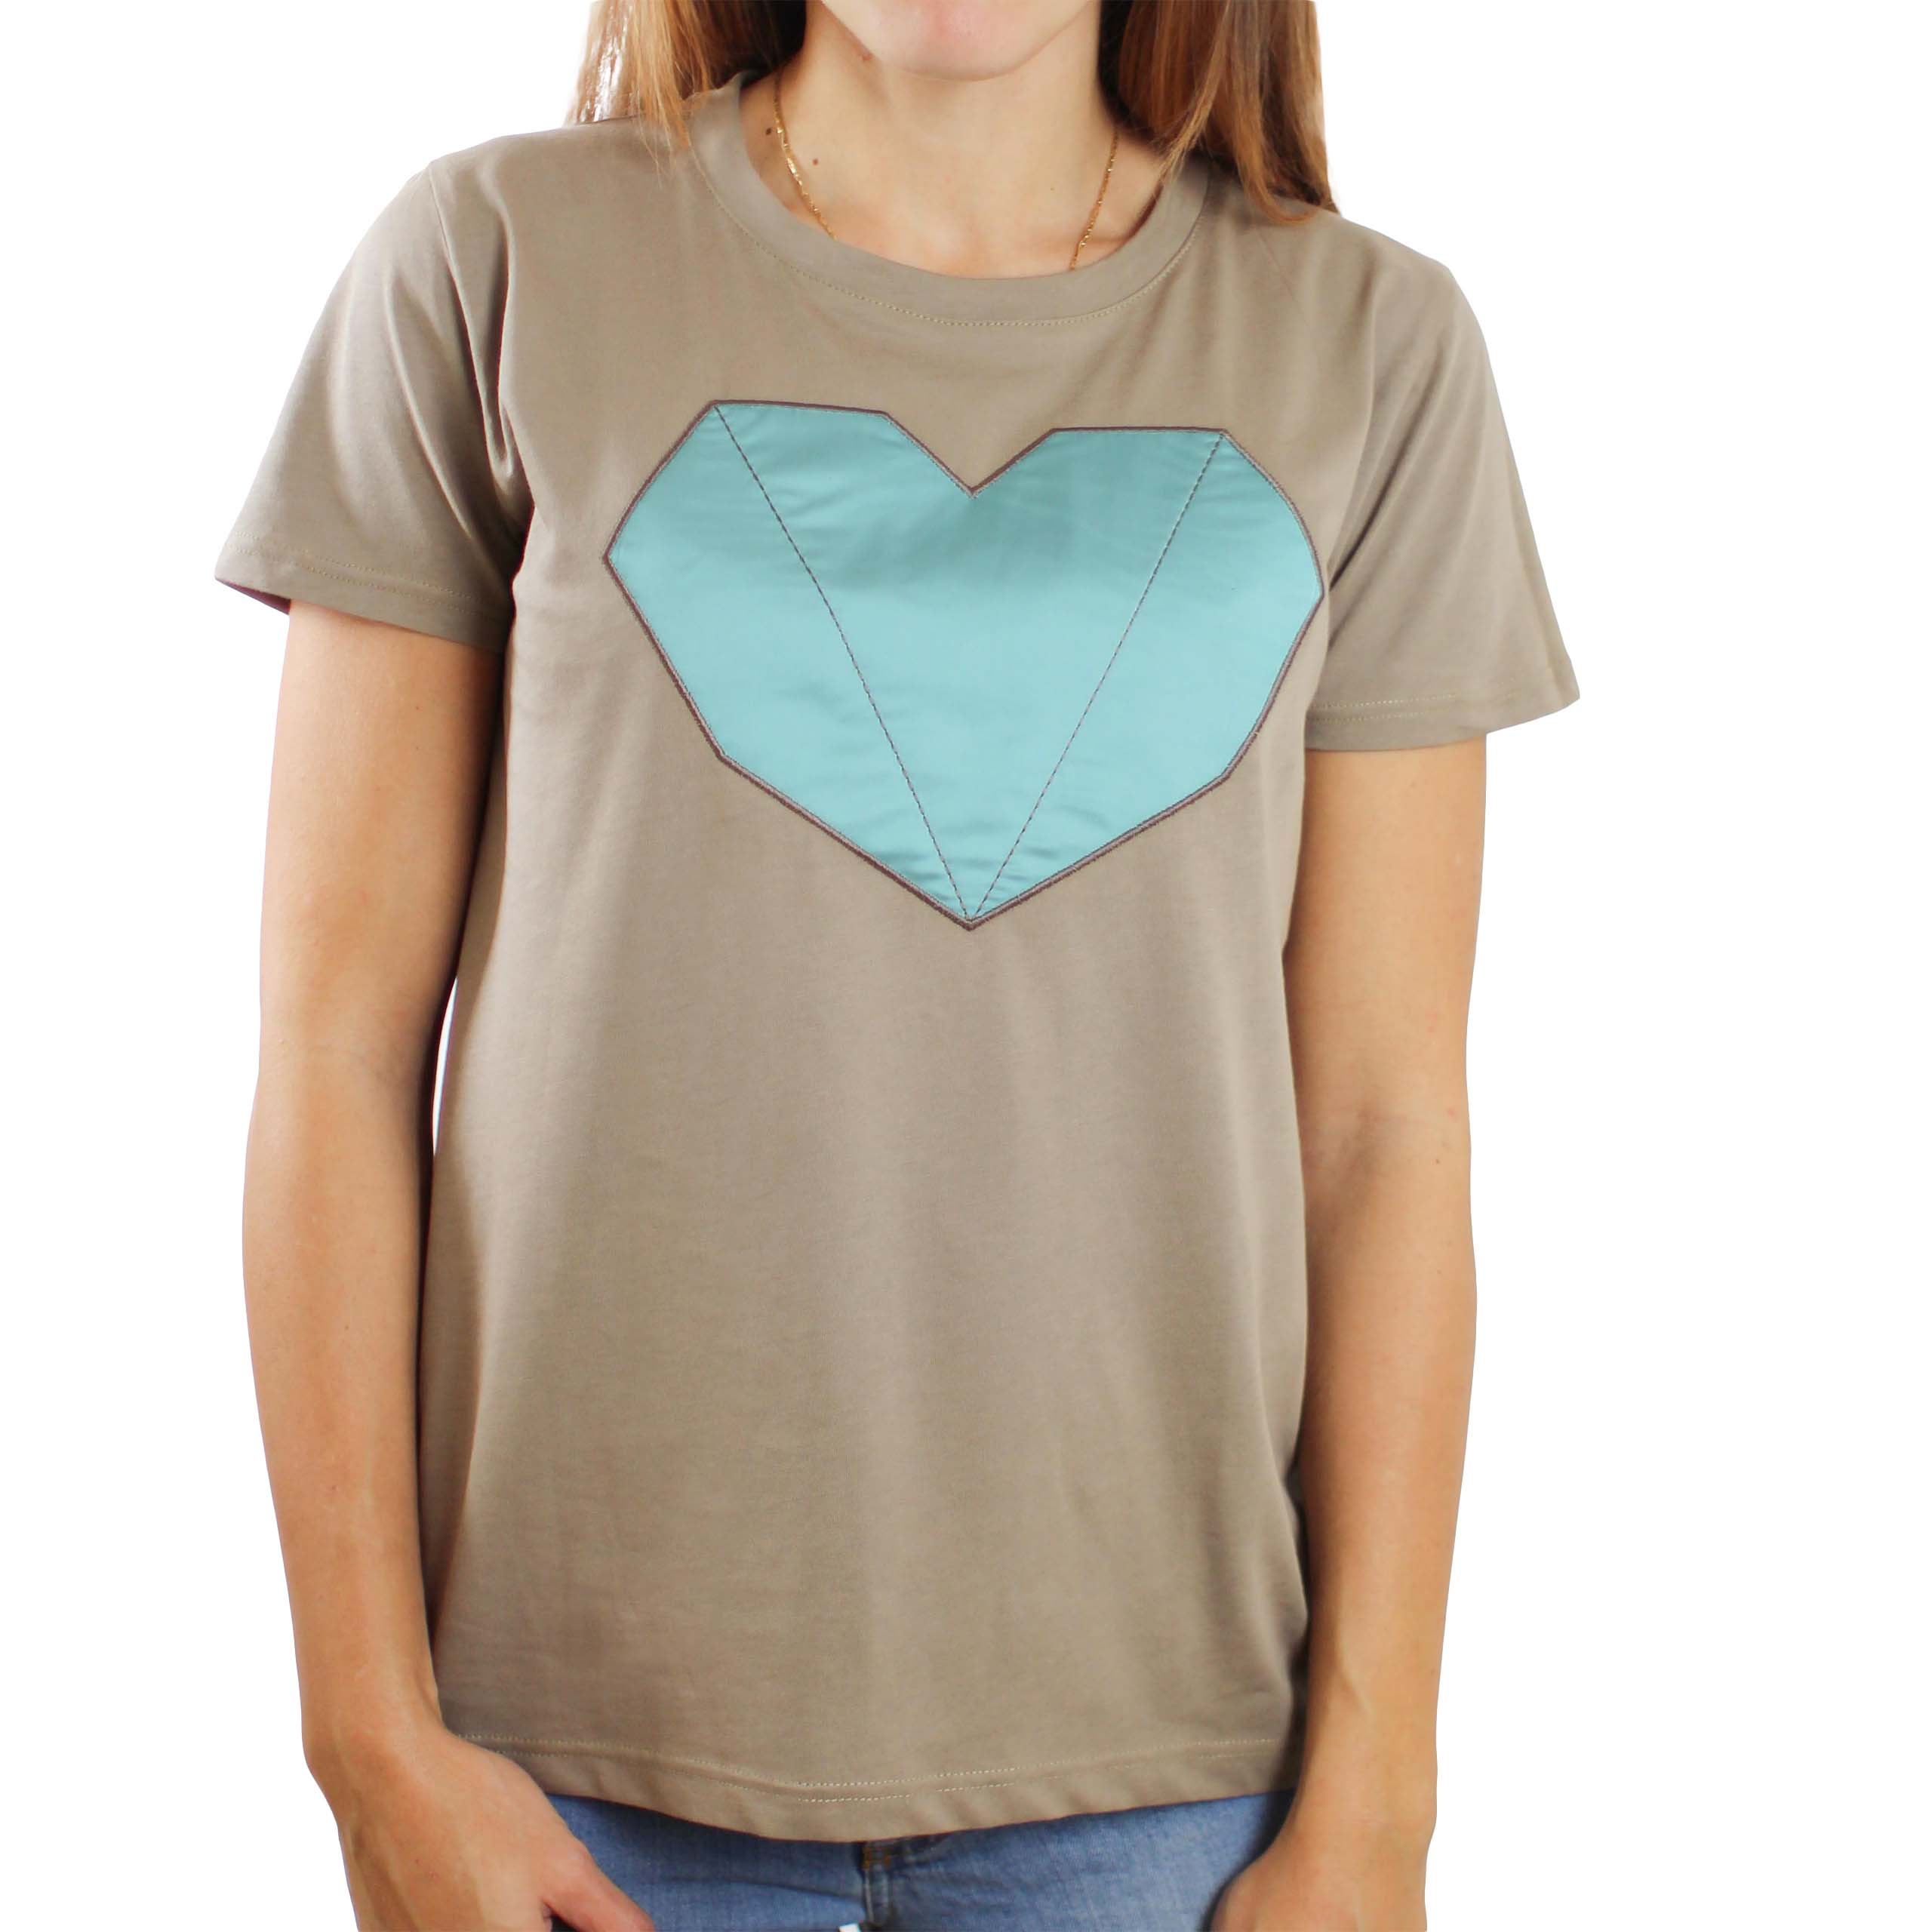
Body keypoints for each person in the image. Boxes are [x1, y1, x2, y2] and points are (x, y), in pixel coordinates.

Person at [217, 2, 1577, 1926]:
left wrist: (1377, 1797)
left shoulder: (1370, 344)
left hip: (1178, 1791)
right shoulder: (495, 260)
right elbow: (336, 1050)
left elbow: (1382, 1130)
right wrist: (368, 1739)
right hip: (562, 1782)